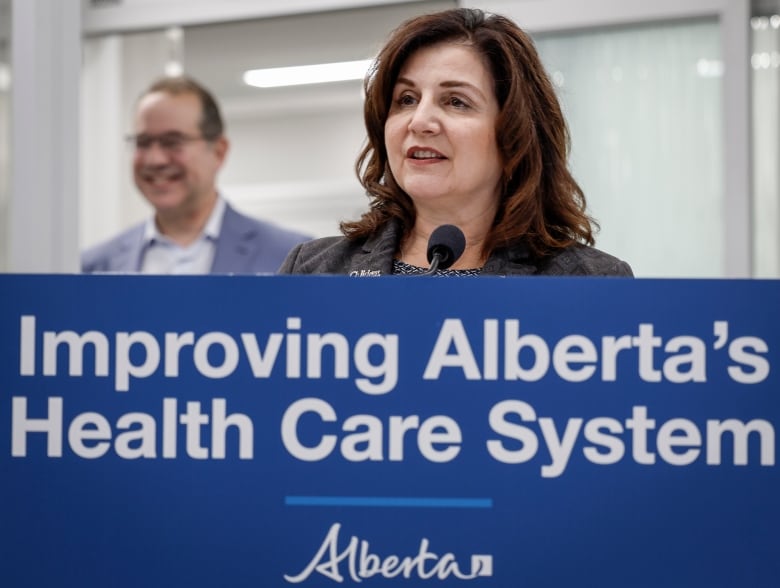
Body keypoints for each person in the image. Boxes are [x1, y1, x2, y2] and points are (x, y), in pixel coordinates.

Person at [279, 8, 632, 277]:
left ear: (515, 133)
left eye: (456, 102)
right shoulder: (313, 271)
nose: (420, 121)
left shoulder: (589, 282)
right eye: (406, 99)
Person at [82, 75, 310, 274]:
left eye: (173, 142)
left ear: (219, 152)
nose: (155, 159)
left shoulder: (293, 258)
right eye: (143, 143)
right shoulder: (93, 266)